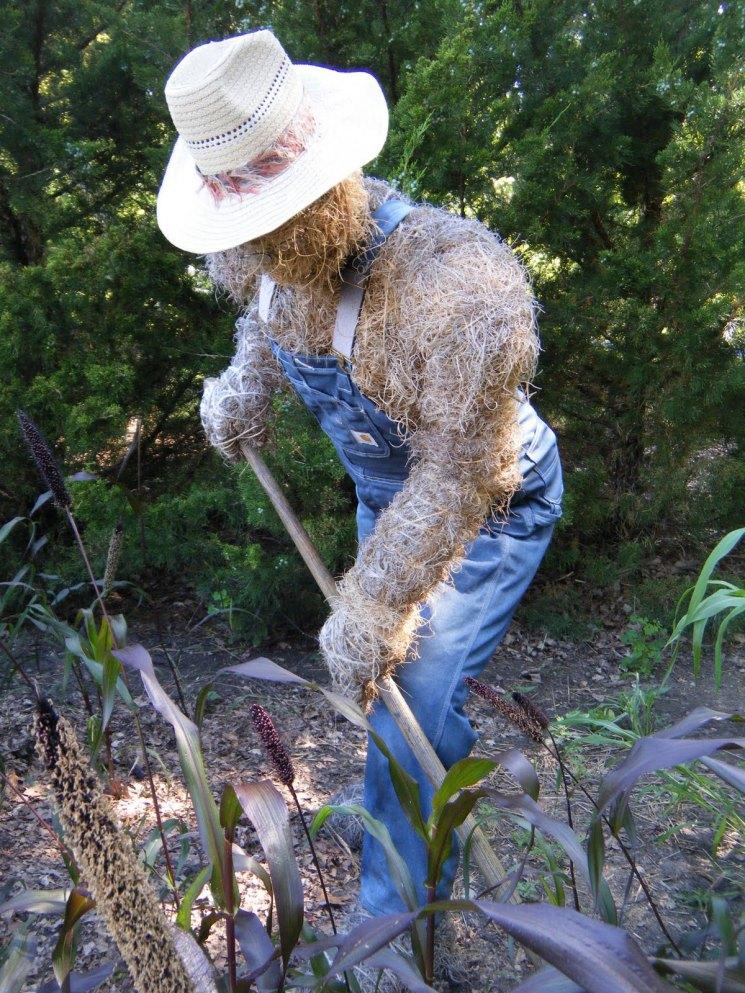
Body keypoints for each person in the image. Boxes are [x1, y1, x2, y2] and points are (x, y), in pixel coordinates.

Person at [157, 25, 562, 951]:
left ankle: (393, 931)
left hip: (490, 505)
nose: (258, 244)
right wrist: (243, 387)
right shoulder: (252, 254)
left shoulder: (448, 285)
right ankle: (392, 805)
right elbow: (268, 316)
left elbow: (465, 470)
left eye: (275, 216)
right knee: (386, 692)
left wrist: (378, 599)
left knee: (411, 685)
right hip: (388, 494)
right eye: (245, 225)